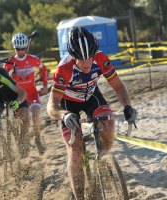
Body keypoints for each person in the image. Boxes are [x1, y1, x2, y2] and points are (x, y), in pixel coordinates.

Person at [46, 27, 138, 199]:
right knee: (75, 151)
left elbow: (118, 86)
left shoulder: (101, 58)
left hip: (91, 97)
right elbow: (51, 106)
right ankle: (79, 196)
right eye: (81, 58)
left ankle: (102, 161)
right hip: (68, 104)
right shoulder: (64, 69)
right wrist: (64, 115)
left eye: (89, 56)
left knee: (109, 122)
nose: (86, 62)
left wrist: (127, 107)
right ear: (73, 56)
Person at [3, 32, 49, 155]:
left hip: (32, 93)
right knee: (24, 122)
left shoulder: (33, 59)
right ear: (14, 48)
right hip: (18, 96)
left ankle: (38, 139)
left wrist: (45, 86)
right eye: (18, 49)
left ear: (26, 48)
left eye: (23, 48)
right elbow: (3, 77)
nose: (20, 51)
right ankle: (22, 145)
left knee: (35, 116)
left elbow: (44, 70)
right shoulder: (9, 62)